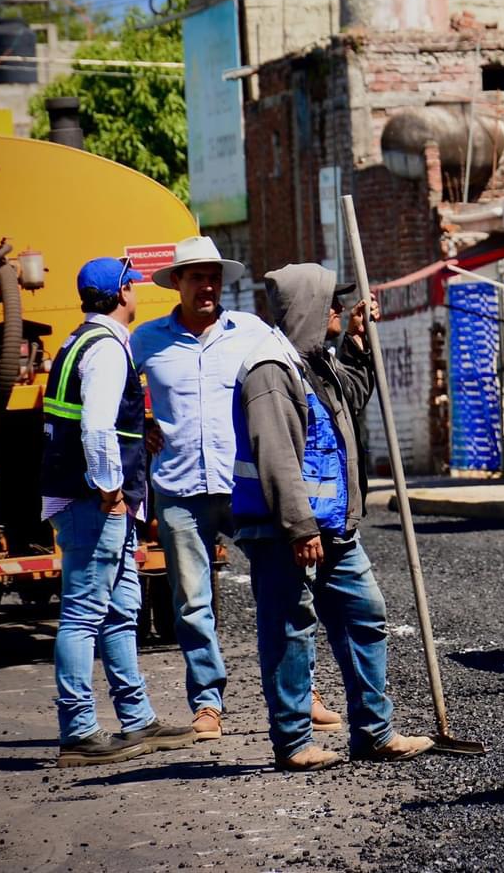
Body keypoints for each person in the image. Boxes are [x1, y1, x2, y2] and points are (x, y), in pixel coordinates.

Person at [132, 236, 343, 741]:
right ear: (176, 284)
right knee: (190, 602)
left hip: (246, 488)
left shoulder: (252, 332)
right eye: (196, 277)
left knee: (290, 589)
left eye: (213, 276)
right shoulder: (145, 341)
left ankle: (304, 690)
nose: (207, 286)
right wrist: (136, 426)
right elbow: (109, 389)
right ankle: (208, 705)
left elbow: (298, 381)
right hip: (180, 489)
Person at [232, 262, 433, 771]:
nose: (340, 311)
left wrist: (359, 343)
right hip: (286, 531)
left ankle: (374, 732)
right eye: (333, 304)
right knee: (290, 628)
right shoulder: (271, 371)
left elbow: (355, 395)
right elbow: (277, 456)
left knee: (365, 613)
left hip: (335, 528)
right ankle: (294, 742)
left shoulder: (313, 362)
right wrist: (299, 527)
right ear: (309, 309)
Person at [41, 256, 199, 767]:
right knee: (84, 612)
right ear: (121, 293)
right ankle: (79, 731)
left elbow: (107, 421)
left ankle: (137, 721)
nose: (136, 289)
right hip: (97, 502)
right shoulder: (107, 349)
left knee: (119, 610)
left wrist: (141, 432)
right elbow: (95, 427)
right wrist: (110, 488)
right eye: (132, 283)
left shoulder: (82, 341)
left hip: (104, 501)